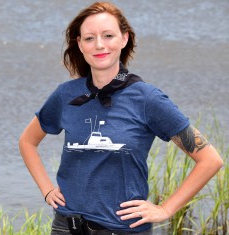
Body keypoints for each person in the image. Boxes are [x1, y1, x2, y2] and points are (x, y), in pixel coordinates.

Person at [18, 2, 223, 235]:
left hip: (123, 230)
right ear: (80, 45)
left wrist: (166, 209)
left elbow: (209, 160)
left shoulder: (147, 98)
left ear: (124, 39)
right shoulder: (66, 94)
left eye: (108, 35)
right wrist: (47, 190)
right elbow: (27, 142)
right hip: (66, 227)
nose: (99, 45)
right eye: (89, 38)